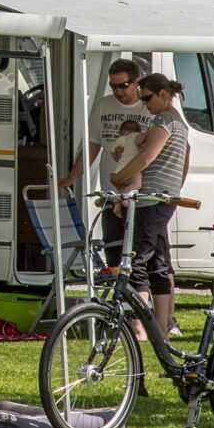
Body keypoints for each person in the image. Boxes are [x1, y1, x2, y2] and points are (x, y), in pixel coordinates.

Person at [116, 72, 194, 345]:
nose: (145, 104)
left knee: (137, 260)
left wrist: (120, 178)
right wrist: (175, 189)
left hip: (151, 200)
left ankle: (138, 327)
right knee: (159, 263)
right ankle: (161, 330)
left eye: (147, 98)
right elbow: (186, 156)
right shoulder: (179, 122)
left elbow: (146, 158)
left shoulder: (163, 121)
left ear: (163, 94)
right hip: (164, 199)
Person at [60, 57, 146, 269]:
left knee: (140, 253)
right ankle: (116, 289)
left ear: (137, 81)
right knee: (113, 250)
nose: (118, 91)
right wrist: (72, 177)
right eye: (113, 86)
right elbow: (92, 146)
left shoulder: (148, 106)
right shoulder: (103, 105)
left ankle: (138, 289)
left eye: (123, 85)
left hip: (141, 194)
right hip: (110, 192)